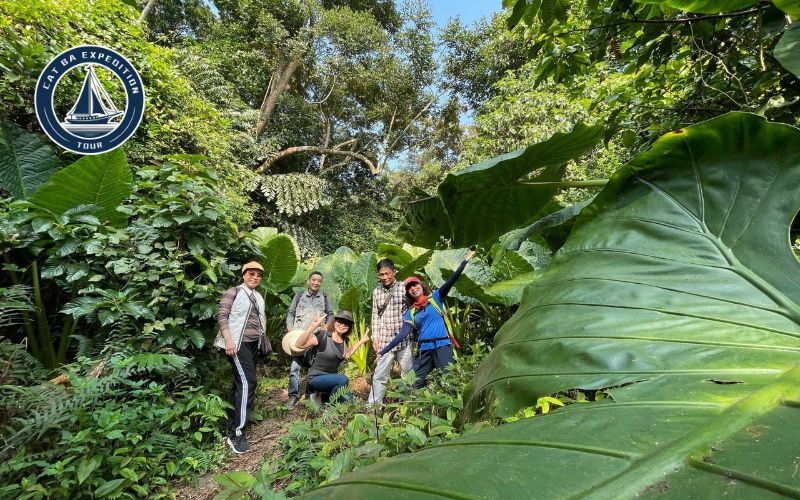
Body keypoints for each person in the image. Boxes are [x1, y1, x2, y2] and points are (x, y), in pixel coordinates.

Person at [377, 249, 476, 388]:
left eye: (415, 285)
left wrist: (464, 262)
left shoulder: (435, 298)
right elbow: (402, 334)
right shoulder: (411, 312)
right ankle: (412, 401)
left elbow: (451, 280)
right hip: (424, 350)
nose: (413, 288)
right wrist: (384, 350)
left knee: (449, 382)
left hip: (442, 346)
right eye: (409, 288)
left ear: (421, 285)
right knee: (412, 383)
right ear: (408, 293)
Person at [214, 261, 269, 454]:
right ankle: (237, 434)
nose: (255, 277)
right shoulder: (234, 292)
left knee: (239, 385)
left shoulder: (258, 296)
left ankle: (230, 426)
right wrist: (229, 341)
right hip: (238, 344)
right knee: (248, 383)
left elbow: (262, 320)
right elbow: (222, 316)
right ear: (244, 275)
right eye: (251, 274)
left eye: (258, 275)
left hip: (253, 345)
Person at [295, 310, 369, 404]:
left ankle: (321, 398)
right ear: (334, 322)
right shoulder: (323, 335)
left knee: (350, 400)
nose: (343, 325)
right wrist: (312, 327)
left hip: (332, 380)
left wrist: (361, 341)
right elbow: (299, 345)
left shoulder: (344, 341)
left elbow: (347, 354)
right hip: (316, 378)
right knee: (343, 379)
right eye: (340, 321)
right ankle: (329, 407)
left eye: (346, 324)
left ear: (349, 327)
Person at [367, 258, 412, 405]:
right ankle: (373, 407)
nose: (385, 277)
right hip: (385, 340)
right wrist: (375, 337)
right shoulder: (377, 292)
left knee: (408, 373)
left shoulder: (404, 288)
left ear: (394, 272)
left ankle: (408, 405)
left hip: (404, 339)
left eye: (387, 273)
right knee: (379, 375)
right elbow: (375, 315)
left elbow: (413, 310)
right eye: (381, 274)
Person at [285, 271, 333, 409]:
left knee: (313, 369)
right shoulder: (299, 296)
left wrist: (327, 326)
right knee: (295, 368)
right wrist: (290, 328)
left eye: (319, 281)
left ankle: (309, 396)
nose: (316, 283)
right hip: (299, 337)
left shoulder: (324, 297)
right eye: (314, 280)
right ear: (308, 281)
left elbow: (330, 314)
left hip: (316, 338)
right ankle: (293, 396)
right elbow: (291, 313)